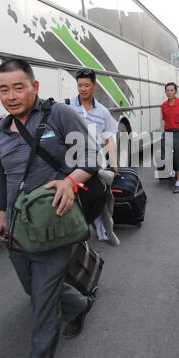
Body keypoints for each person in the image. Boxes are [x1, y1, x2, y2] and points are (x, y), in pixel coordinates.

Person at [0, 58, 99, 358]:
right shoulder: (1, 130)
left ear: (34, 87)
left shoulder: (58, 116)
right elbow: (4, 179)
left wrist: (70, 181)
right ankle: (79, 304)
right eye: (3, 89)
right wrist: (1, 216)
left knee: (42, 307)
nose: (10, 96)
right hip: (18, 232)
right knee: (33, 289)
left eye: (18, 87)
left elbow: (93, 156)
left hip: (54, 227)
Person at [67, 68, 120, 246]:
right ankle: (80, 228)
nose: (83, 89)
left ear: (94, 86)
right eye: (80, 85)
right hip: (70, 160)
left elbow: (109, 137)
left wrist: (113, 162)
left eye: (86, 85)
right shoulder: (67, 108)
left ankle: (100, 225)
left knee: (99, 194)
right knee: (75, 195)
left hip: (93, 161)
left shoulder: (103, 112)